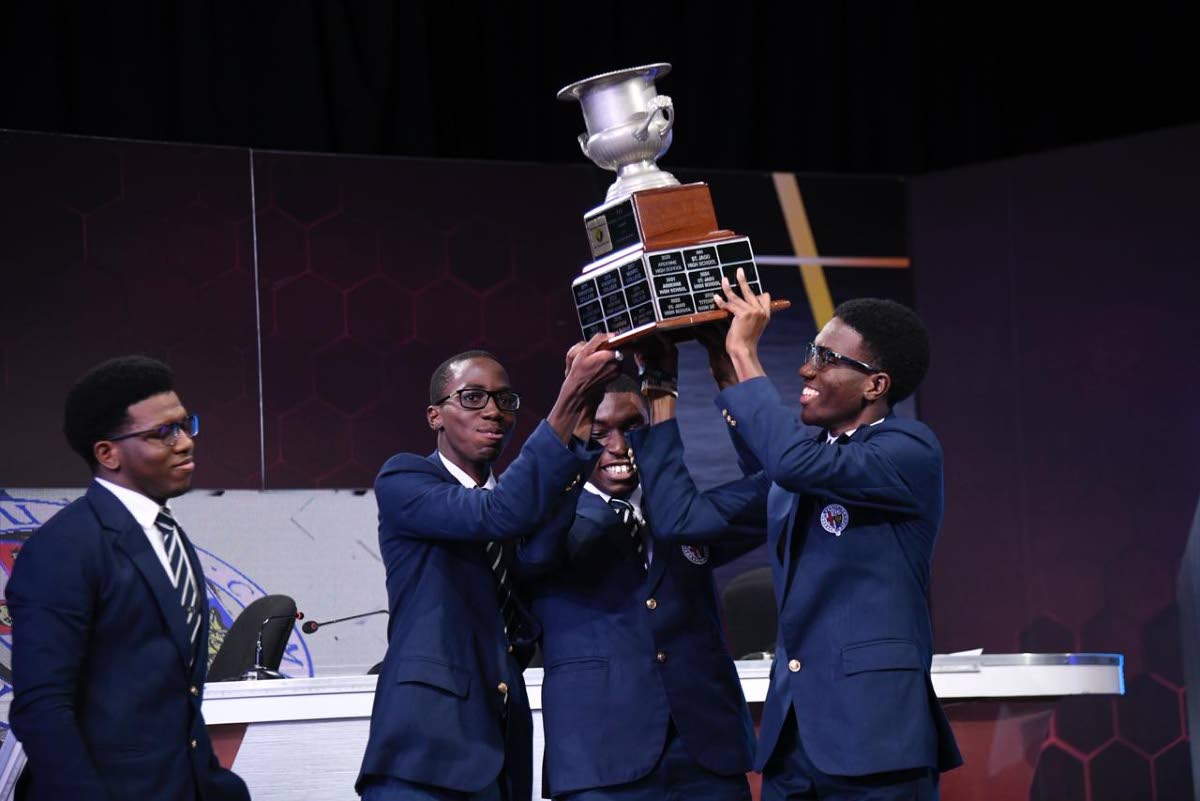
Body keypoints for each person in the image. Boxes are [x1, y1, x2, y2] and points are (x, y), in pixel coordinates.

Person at [631, 272, 962, 800]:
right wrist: (666, 393)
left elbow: (791, 459)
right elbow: (682, 522)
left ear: (876, 385)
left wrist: (744, 352)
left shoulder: (907, 450)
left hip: (875, 742)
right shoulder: (801, 472)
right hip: (793, 749)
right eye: (812, 351)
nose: (807, 367)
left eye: (829, 359)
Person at [356, 336, 619, 801]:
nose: (493, 410)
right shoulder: (405, 478)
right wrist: (568, 396)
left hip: (500, 743)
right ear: (435, 415)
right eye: (472, 397)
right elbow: (496, 513)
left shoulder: (520, 496)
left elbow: (536, 555)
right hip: (425, 748)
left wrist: (581, 416)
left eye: (505, 400)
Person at [7, 355, 250, 801]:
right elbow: (42, 709)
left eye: (185, 424)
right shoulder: (64, 548)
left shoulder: (169, 535)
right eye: (163, 433)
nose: (184, 443)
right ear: (108, 453)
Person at [521, 360, 762, 801]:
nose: (617, 445)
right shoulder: (545, 519)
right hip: (600, 760)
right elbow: (535, 553)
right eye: (598, 434)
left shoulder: (687, 514)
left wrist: (729, 371)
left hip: (707, 754)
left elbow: (775, 490)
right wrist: (573, 440)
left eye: (633, 427)